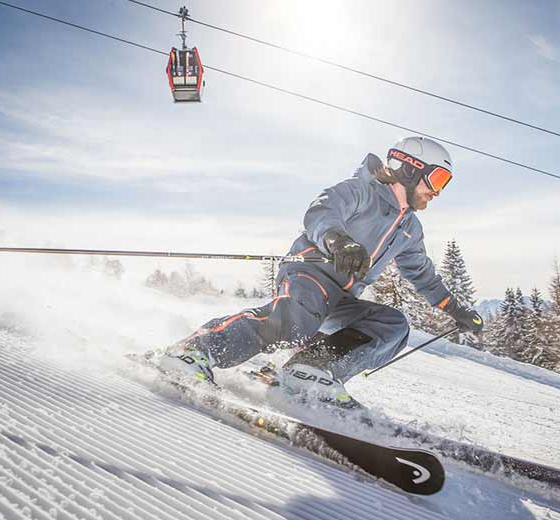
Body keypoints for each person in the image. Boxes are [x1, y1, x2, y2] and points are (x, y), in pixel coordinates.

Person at [159, 136, 484, 406]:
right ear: (410, 169)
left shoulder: (410, 227)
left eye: (445, 183)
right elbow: (321, 212)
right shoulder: (361, 190)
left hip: (342, 297)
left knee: (393, 325)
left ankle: (308, 371)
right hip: (309, 275)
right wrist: (338, 242)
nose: (437, 191)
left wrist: (457, 311)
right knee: (293, 322)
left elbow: (423, 274)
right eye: (437, 179)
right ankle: (193, 352)